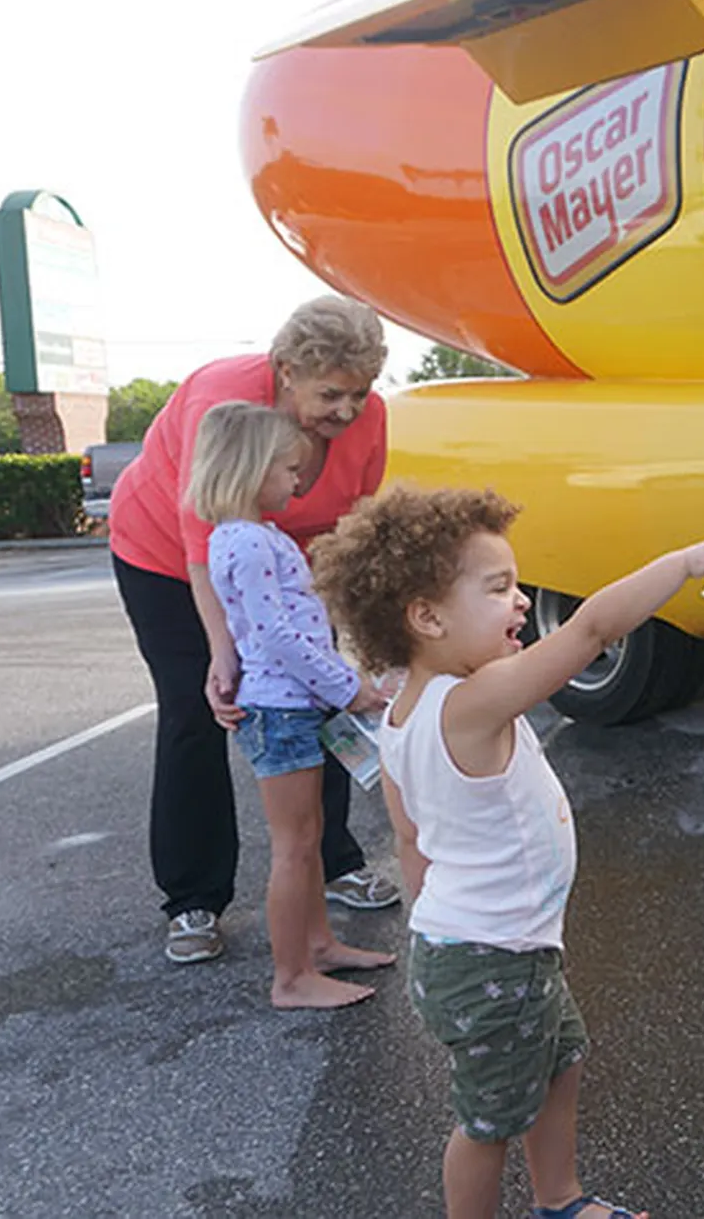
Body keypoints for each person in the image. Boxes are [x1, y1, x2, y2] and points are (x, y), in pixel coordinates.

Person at [311, 484, 704, 1219]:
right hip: (491, 959)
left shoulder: (406, 710)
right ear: (426, 617)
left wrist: (439, 927)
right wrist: (686, 561)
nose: (522, 601)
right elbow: (589, 632)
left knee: (561, 1062)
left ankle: (561, 1200)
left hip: (483, 949)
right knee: (486, 1124)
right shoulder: (470, 705)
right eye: (498, 588)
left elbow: (409, 837)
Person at [110, 295, 400, 966]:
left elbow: (352, 532)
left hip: (288, 563)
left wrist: (352, 640)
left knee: (318, 696)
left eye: (361, 393)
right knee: (200, 707)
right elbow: (202, 543)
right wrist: (223, 652)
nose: (348, 411)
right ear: (285, 370)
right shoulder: (222, 401)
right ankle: (194, 898)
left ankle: (334, 862)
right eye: (331, 393)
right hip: (173, 559)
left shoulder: (367, 420)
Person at [187, 401, 396, 1008]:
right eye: (287, 470)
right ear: (251, 470)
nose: (298, 481)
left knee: (309, 837)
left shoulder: (255, 537)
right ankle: (291, 978)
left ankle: (319, 946)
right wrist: (348, 687)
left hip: (293, 706)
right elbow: (279, 635)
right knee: (294, 845)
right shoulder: (248, 543)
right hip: (279, 712)